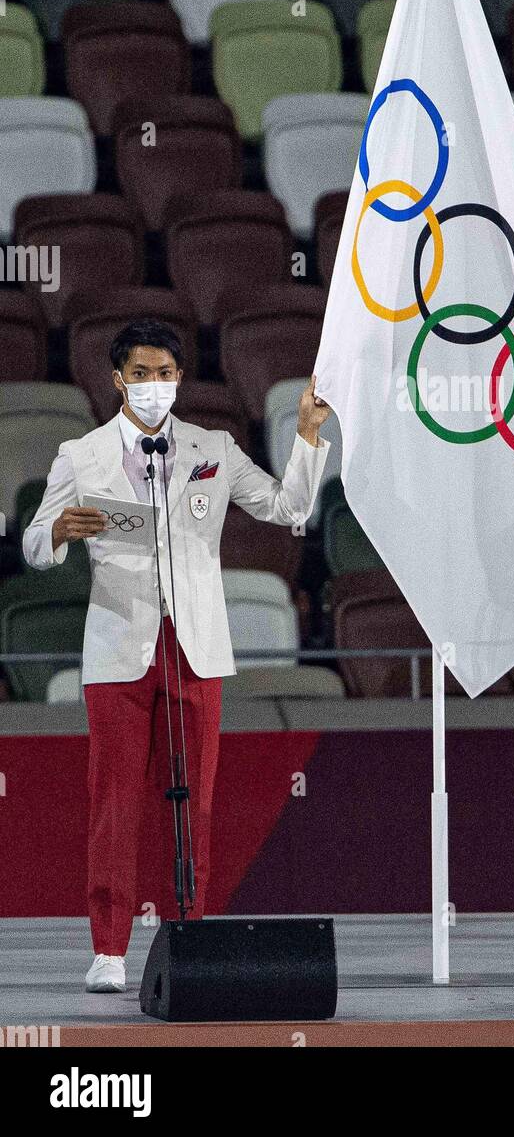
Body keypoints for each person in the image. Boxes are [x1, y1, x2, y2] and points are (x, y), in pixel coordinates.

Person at [23, 319, 331, 993]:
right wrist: (57, 533)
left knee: (193, 802)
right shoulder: (83, 455)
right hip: (117, 650)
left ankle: (190, 930)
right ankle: (108, 948)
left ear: (180, 379)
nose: (155, 385)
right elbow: (34, 544)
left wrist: (307, 435)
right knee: (114, 802)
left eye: (165, 373)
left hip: (195, 648)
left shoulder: (211, 448)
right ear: (116, 378)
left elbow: (289, 505)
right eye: (141, 373)